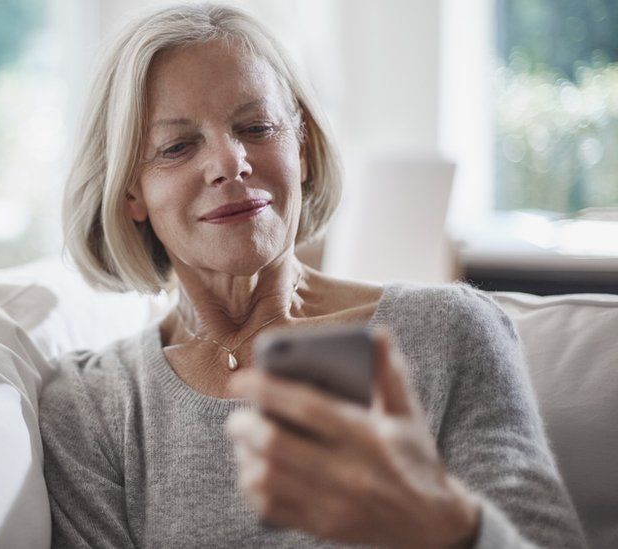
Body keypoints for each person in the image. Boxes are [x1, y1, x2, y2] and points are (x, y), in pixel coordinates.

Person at [38, 3, 587, 548]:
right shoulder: (93, 405)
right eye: (178, 146)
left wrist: (441, 525)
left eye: (256, 127)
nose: (230, 163)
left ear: (300, 147)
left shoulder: (450, 332)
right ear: (131, 191)